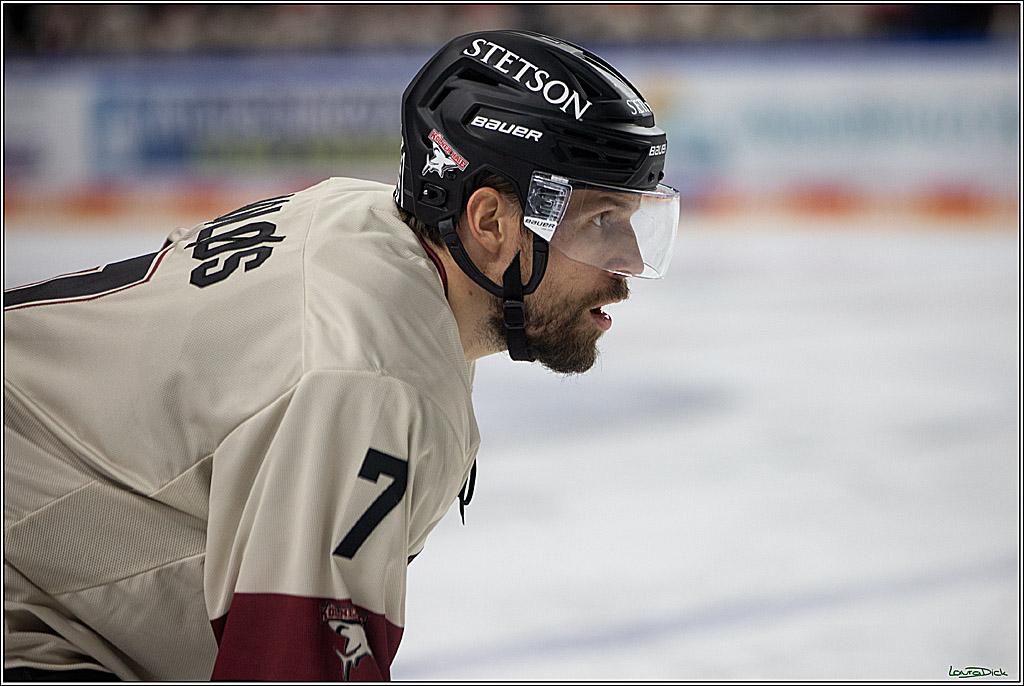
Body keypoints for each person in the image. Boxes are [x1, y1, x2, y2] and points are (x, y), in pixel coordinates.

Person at [3, 30, 678, 681]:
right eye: (600, 222)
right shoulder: (370, 372)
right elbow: (293, 665)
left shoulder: (365, 230)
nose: (629, 263)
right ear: (490, 222)